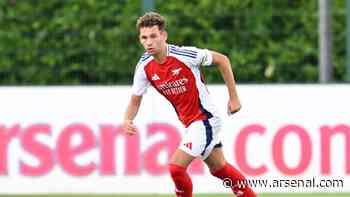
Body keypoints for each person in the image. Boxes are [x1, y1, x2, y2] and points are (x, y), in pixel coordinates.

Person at [123, 12, 256, 197]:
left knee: (176, 168)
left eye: (153, 36)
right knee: (219, 168)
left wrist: (233, 97)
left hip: (205, 119)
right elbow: (134, 101)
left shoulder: (184, 54)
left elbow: (222, 60)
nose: (149, 42)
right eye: (144, 38)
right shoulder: (144, 67)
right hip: (191, 123)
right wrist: (127, 119)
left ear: (164, 36)